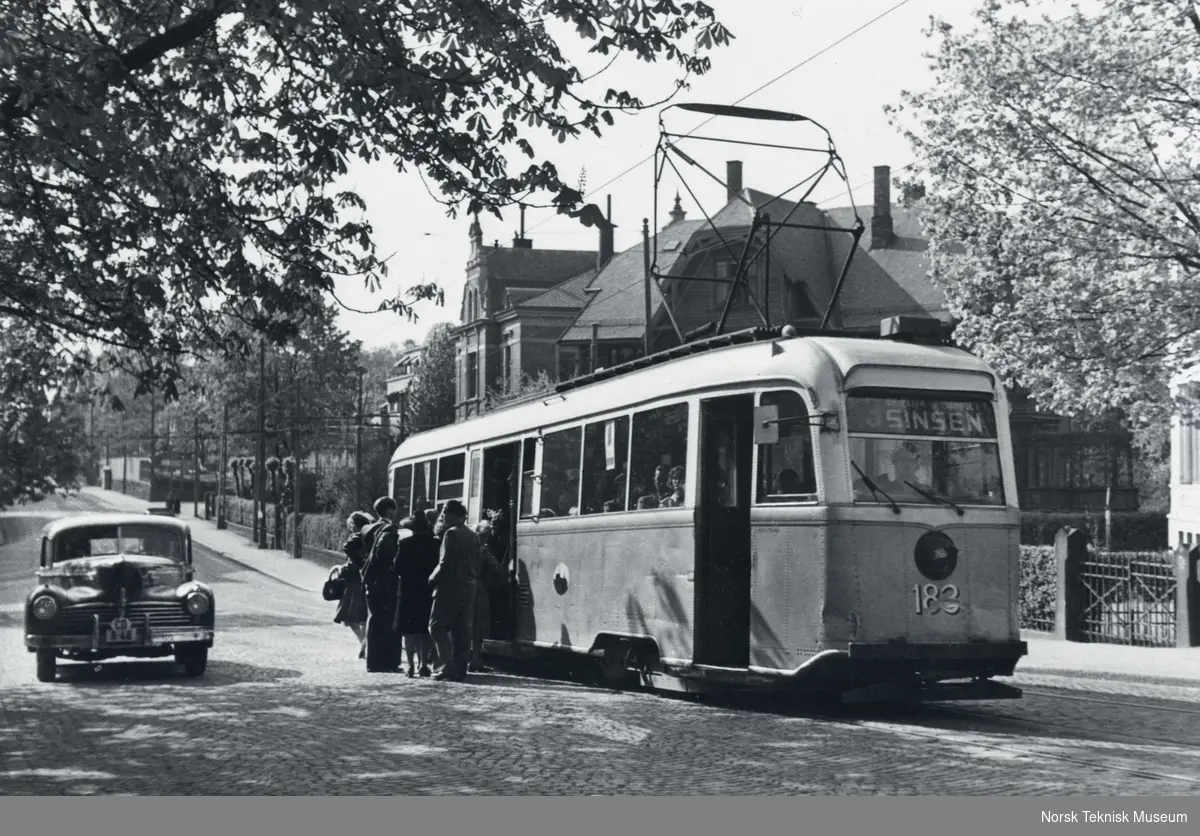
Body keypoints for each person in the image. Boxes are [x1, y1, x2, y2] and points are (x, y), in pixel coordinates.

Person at [427, 499, 480, 682]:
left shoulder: (451, 534)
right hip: (469, 587)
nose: (442, 516)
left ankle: (448, 666)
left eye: (444, 512)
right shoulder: (472, 535)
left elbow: (445, 563)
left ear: (452, 514)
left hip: (450, 587)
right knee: (461, 630)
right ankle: (460, 668)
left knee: (436, 626)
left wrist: (432, 579)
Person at [392, 512, 439, 678]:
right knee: (424, 630)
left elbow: (397, 568)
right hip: (427, 590)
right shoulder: (435, 544)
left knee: (409, 631)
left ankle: (410, 666)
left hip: (408, 591)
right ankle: (423, 664)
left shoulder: (404, 543)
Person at [360, 497, 403, 673]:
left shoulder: (367, 528)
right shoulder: (390, 529)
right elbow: (387, 555)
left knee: (375, 620)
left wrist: (363, 566)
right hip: (386, 580)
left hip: (371, 580)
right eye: (394, 509)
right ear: (389, 510)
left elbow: (352, 547)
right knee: (390, 620)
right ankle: (389, 662)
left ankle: (374, 661)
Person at [333, 511, 373, 659]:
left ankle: (364, 643)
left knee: (351, 618)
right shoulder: (370, 537)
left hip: (355, 584)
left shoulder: (355, 539)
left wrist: (340, 569)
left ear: (354, 525)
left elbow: (352, 564)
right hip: (366, 580)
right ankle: (366, 645)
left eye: (350, 525)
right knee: (363, 618)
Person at [468, 521, 502, 673]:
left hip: (466, 586)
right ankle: (475, 659)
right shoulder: (484, 550)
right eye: (486, 535)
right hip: (478, 588)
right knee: (478, 625)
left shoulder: (467, 549)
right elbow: (497, 565)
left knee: (468, 624)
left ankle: (465, 658)